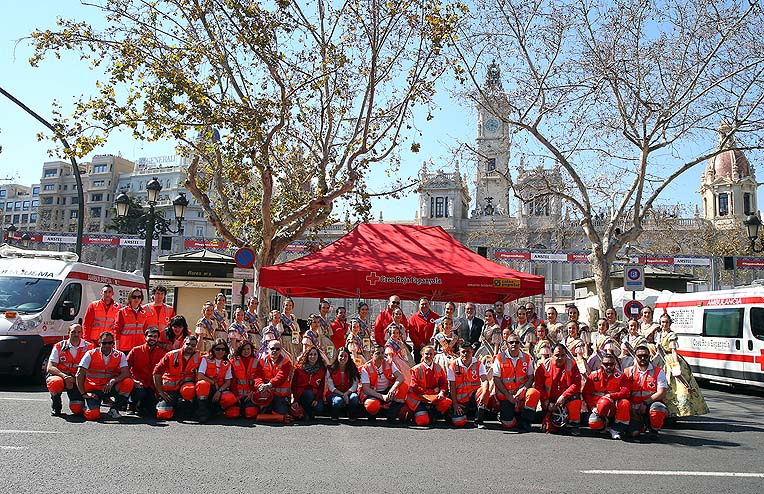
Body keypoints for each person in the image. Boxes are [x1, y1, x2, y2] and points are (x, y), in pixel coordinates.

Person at [655, 314, 709, 418]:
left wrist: (675, 366)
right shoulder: (659, 334)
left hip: (670, 359)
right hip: (660, 359)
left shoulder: (672, 335)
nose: (664, 324)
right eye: (662, 322)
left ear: (670, 323)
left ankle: (676, 411)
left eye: (666, 322)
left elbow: (674, 351)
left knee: (675, 386)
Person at [76, 331, 135, 420]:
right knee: (93, 415)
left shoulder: (119, 355)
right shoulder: (90, 354)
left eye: (110, 343)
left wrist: (114, 380)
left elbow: (125, 373)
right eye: (104, 343)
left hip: (109, 387)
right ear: (99, 343)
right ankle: (86, 404)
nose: (107, 345)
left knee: (128, 382)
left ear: (113, 343)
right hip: (93, 389)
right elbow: (79, 373)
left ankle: (114, 409)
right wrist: (83, 393)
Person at [527, 343, 582, 435]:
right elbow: (538, 386)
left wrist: (564, 396)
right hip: (549, 401)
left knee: (576, 397)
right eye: (557, 355)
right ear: (551, 355)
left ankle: (574, 425)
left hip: (565, 400)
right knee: (549, 428)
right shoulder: (543, 366)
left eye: (563, 355)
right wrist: (547, 402)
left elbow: (576, 384)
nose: (560, 358)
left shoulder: (571, 364)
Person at [491, 330, 537, 432]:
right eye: (511, 342)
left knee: (533, 393)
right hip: (506, 395)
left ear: (520, 344)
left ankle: (526, 422)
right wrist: (508, 396)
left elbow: (531, 377)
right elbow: (496, 379)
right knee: (508, 425)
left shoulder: (527, 358)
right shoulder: (499, 357)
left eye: (516, 342)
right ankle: (510, 415)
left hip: (521, 393)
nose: (514, 344)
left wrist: (524, 389)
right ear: (507, 344)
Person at [624, 343, 669, 438]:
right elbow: (623, 393)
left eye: (645, 356)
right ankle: (640, 426)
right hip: (633, 409)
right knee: (633, 434)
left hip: (649, 405)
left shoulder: (658, 372)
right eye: (640, 356)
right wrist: (631, 410)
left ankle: (654, 430)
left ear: (649, 356)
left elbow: (662, 392)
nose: (643, 358)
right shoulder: (627, 371)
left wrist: (645, 403)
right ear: (635, 357)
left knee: (658, 408)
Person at [582, 353, 630, 440]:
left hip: (614, 406)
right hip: (597, 407)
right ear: (601, 364)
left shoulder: (621, 376)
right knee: (594, 423)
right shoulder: (593, 375)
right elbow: (586, 393)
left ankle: (617, 428)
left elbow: (626, 392)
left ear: (615, 364)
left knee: (624, 403)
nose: (608, 366)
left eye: (611, 364)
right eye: (606, 364)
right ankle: (605, 426)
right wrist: (592, 407)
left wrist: (611, 396)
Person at [153, 335, 201, 420]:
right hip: (170, 390)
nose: (190, 347)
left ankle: (185, 406)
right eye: (188, 344)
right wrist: (160, 392)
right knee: (163, 415)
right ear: (183, 343)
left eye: (193, 345)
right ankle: (167, 404)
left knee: (189, 390)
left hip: (186, 387)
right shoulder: (171, 355)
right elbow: (156, 372)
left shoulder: (199, 357)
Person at [46, 323, 90, 416]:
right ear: (68, 333)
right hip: (62, 376)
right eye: (73, 332)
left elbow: (92, 369)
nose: (76, 334)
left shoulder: (89, 347)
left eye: (79, 332)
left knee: (77, 409)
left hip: (78, 379)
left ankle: (82, 403)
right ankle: (56, 405)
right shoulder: (59, 346)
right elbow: (50, 367)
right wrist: (65, 377)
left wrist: (76, 379)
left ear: (82, 333)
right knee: (55, 382)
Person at [404, 345, 452, 427]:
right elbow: (414, 386)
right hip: (419, 398)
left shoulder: (438, 367)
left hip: (434, 397)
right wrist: (431, 392)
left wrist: (441, 392)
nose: (429, 356)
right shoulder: (415, 369)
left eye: (431, 354)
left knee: (447, 402)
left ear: (434, 355)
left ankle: (433, 414)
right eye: (426, 354)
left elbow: (443, 383)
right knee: (422, 422)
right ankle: (420, 413)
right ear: (422, 355)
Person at [126, 327, 167, 416]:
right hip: (138, 384)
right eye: (150, 336)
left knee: (152, 411)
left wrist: (159, 389)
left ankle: (141, 405)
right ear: (145, 337)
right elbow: (125, 368)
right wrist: (133, 380)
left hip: (152, 386)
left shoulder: (162, 353)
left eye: (155, 336)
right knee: (139, 391)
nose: (152, 338)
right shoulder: (135, 351)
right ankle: (131, 405)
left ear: (158, 338)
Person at [359, 344, 407, 421]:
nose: (381, 355)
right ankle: (373, 414)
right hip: (373, 392)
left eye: (382, 353)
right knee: (372, 405)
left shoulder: (389, 362)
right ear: (372, 355)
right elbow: (366, 389)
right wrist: (382, 397)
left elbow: (400, 377)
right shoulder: (366, 367)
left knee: (403, 386)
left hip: (387, 390)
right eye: (378, 353)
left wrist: (392, 390)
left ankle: (391, 414)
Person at [448, 342, 489, 428]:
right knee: (459, 422)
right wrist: (455, 405)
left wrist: (484, 393)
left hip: (473, 397)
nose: (465, 354)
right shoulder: (453, 365)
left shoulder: (479, 364)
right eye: (463, 352)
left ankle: (479, 421)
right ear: (459, 352)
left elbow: (485, 380)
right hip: (460, 400)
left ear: (472, 352)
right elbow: (452, 387)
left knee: (484, 390)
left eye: (468, 351)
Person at [195, 338, 236, 422]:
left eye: (223, 349)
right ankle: (202, 411)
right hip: (207, 389)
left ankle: (216, 410)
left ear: (226, 351)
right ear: (213, 349)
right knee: (202, 384)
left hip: (219, 389)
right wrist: (213, 382)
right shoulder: (206, 359)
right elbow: (200, 376)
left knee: (230, 398)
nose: (220, 351)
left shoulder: (227, 363)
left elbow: (228, 382)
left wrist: (219, 391)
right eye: (217, 349)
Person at [254, 339, 293, 415]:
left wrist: (268, 385)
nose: (275, 351)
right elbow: (258, 376)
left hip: (280, 396)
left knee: (282, 414)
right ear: (268, 349)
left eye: (277, 349)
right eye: (272, 348)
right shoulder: (262, 361)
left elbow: (281, 377)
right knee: (257, 413)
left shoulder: (286, 362)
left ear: (281, 350)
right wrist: (260, 386)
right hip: (266, 393)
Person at [292, 346, 328, 420]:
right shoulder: (299, 369)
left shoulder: (321, 370)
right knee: (309, 394)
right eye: (310, 354)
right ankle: (307, 412)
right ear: (307, 356)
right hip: (301, 393)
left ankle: (308, 411)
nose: (313, 356)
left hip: (315, 394)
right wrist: (295, 400)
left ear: (318, 356)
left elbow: (321, 386)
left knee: (319, 408)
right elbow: (293, 385)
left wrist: (317, 399)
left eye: (315, 354)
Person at [326, 347, 361, 419]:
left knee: (354, 398)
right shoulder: (330, 369)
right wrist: (342, 394)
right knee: (338, 401)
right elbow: (331, 387)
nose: (343, 358)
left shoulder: (353, 368)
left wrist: (346, 394)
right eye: (341, 356)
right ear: (337, 356)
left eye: (345, 356)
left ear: (348, 357)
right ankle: (334, 414)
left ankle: (352, 414)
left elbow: (355, 385)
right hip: (334, 393)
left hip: (349, 392)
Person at [228, 341, 259, 419]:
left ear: (251, 350)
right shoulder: (233, 361)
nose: (246, 351)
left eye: (248, 349)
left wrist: (253, 392)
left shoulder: (256, 362)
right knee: (232, 414)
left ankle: (245, 409)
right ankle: (240, 408)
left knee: (251, 414)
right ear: (240, 350)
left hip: (250, 395)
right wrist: (236, 396)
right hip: (237, 395)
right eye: (244, 349)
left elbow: (258, 379)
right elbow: (232, 380)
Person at [113, 287, 149, 353]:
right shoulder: (122, 312)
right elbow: (117, 331)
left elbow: (145, 331)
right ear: (130, 298)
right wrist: (117, 349)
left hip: (140, 347)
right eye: (134, 297)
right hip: (125, 348)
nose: (137, 299)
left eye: (139, 297)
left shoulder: (144, 313)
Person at [408, 297, 440, 364]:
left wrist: (432, 343)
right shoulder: (413, 318)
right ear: (419, 305)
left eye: (426, 304)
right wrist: (421, 344)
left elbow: (439, 331)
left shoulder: (436, 317)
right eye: (422, 304)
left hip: (433, 348)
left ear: (429, 305)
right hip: (418, 349)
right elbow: (412, 334)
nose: (424, 306)